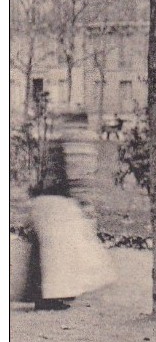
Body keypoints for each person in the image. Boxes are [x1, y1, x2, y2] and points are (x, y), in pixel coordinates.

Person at [22, 112, 115, 310]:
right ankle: (51, 296)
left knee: (54, 249)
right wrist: (83, 202)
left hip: (50, 199)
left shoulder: (62, 143)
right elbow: (77, 176)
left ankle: (50, 295)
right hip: (57, 201)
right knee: (60, 250)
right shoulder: (77, 144)